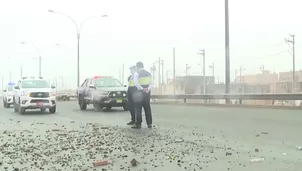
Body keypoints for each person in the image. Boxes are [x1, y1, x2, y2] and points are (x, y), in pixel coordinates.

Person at [132, 61, 153, 129]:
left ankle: (138, 124)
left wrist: (142, 89)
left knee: (138, 108)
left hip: (139, 93)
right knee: (147, 108)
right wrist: (147, 89)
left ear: (137, 67)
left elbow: (136, 84)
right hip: (147, 93)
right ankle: (149, 123)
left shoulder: (136, 74)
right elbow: (152, 83)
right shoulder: (149, 73)